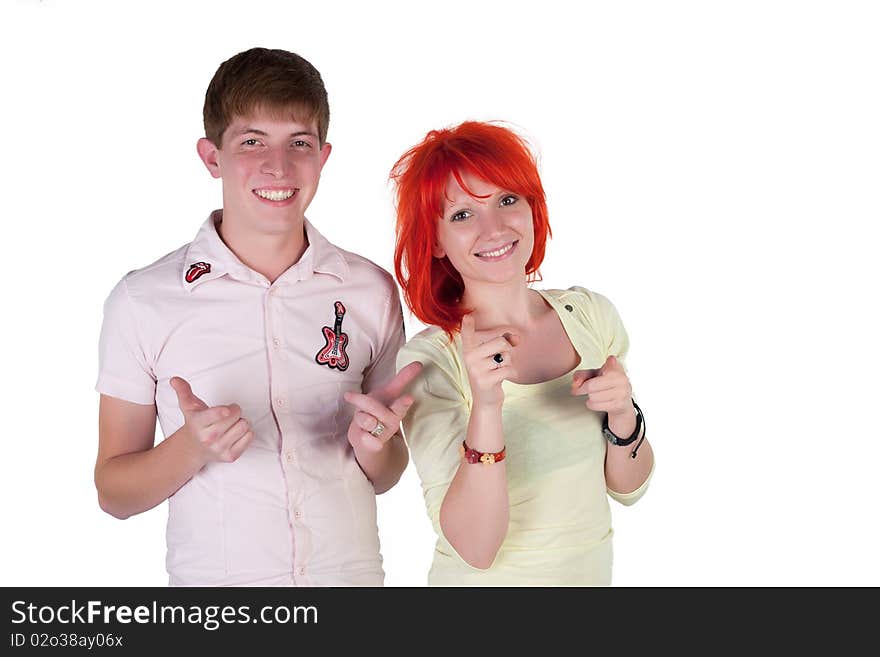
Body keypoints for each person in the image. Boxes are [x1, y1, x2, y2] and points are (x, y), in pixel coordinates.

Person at [94, 48, 419, 586]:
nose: (279, 166)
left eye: (299, 143)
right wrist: (190, 447)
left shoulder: (372, 292)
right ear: (211, 156)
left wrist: (377, 446)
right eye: (251, 142)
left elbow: (385, 473)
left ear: (323, 156)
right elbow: (114, 493)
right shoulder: (143, 300)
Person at [391, 121, 654, 585]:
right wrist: (487, 409)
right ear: (433, 241)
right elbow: (475, 548)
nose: (493, 228)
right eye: (462, 215)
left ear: (533, 208)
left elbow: (629, 488)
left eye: (506, 200)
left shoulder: (590, 316)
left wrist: (623, 415)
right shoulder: (431, 360)